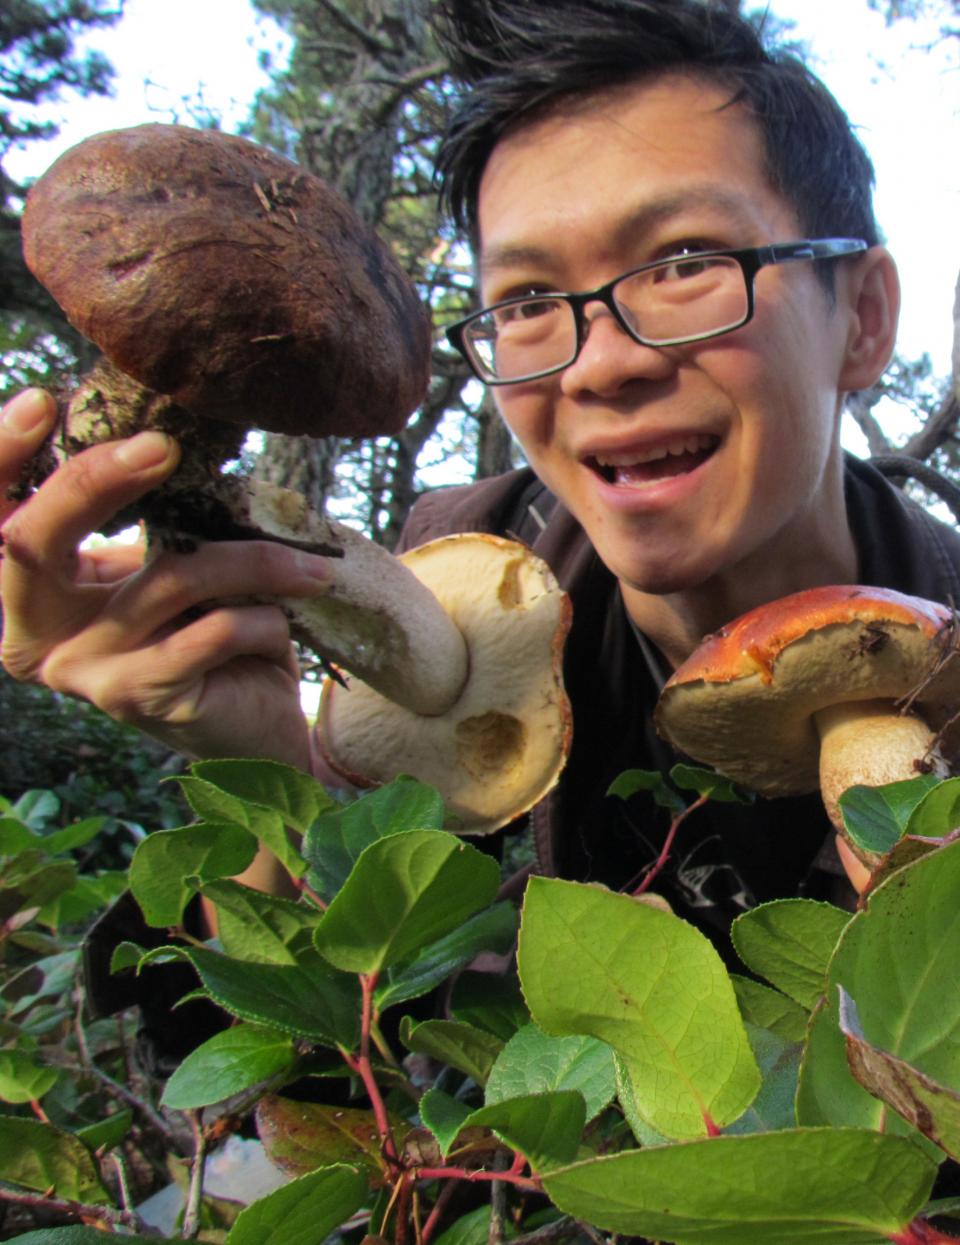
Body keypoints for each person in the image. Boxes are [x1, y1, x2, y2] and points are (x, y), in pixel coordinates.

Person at [2, 0, 959, 963]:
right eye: (529, 301)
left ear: (866, 318)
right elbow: (325, 1079)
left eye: (684, 263)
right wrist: (267, 773)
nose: (597, 367)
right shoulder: (444, 583)